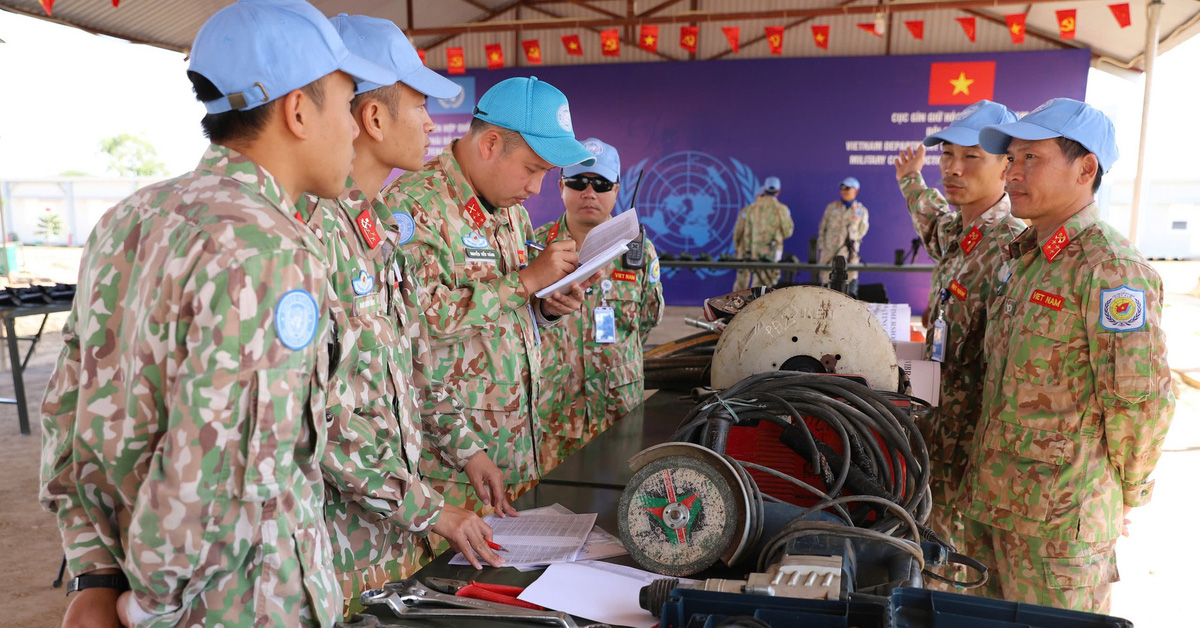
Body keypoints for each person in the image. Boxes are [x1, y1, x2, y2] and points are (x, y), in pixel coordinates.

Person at [38, 1, 394, 626]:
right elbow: (217, 470)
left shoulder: (131, 217)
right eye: (345, 105)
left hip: (136, 587)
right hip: (240, 602)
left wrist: (94, 574)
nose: (356, 129)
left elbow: (71, 409)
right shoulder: (272, 249)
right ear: (299, 110)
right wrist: (147, 603)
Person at [313, 15, 507, 616]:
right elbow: (321, 415)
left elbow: (410, 361)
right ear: (373, 118)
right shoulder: (312, 237)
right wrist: (432, 511)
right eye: (420, 107)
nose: (431, 123)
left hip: (385, 534)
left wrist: (466, 447)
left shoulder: (372, 230)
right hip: (335, 542)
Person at [961, 98, 1175, 612]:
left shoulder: (1111, 269)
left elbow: (1140, 404)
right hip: (993, 507)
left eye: (1031, 158)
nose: (1012, 173)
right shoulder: (1025, 258)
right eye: (1011, 159)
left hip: (1058, 528)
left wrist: (1127, 492)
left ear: (1085, 168)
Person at [382, 76, 597, 527]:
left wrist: (542, 305)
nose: (537, 189)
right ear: (491, 144)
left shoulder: (509, 211)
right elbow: (414, 325)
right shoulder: (414, 207)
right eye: (533, 169)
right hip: (454, 466)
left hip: (515, 446)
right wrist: (523, 282)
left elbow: (503, 314)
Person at [892, 100, 1025, 572]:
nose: (952, 168)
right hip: (938, 436)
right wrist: (911, 178)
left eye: (972, 157)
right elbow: (931, 221)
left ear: (1008, 165)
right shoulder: (960, 232)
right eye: (948, 155)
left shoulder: (1014, 245)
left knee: (958, 570)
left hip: (975, 455)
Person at [532, 138, 665, 472]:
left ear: (617, 189)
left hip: (618, 408)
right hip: (555, 408)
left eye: (601, 184)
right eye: (578, 182)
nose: (588, 193)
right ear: (561, 185)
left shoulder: (638, 253)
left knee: (617, 500)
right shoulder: (536, 249)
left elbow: (647, 319)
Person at [731, 176, 794, 290]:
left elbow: (746, 234)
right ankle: (760, 307)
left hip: (754, 250)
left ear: (764, 190)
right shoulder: (781, 209)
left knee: (756, 281)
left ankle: (743, 306)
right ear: (778, 191)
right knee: (767, 285)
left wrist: (746, 250)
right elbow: (787, 232)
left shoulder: (751, 208)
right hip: (772, 252)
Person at [817, 177, 869, 294]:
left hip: (849, 256)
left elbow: (861, 231)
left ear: (856, 190)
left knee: (849, 290)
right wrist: (823, 246)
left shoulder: (861, 211)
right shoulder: (831, 208)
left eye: (847, 188)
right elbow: (822, 229)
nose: (844, 190)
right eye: (842, 187)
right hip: (830, 254)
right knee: (825, 290)